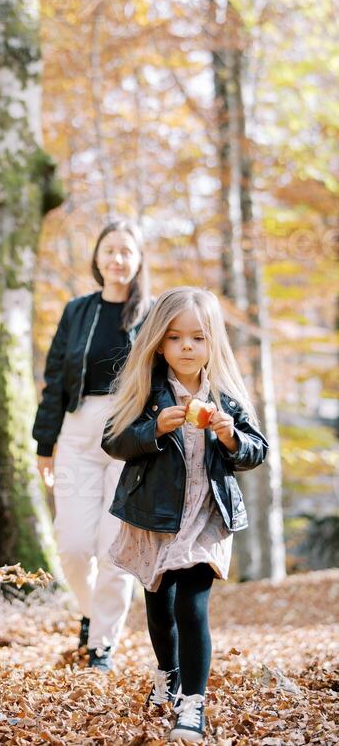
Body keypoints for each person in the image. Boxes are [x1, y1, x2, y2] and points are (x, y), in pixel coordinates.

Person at [102, 286, 268, 742]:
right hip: (155, 517)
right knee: (160, 603)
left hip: (206, 516)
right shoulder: (147, 389)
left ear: (213, 340)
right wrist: (152, 428)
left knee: (192, 604)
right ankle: (167, 676)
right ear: (159, 342)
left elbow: (257, 451)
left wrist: (231, 437)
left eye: (197, 337)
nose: (187, 347)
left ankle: (192, 705)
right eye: (176, 338)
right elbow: (113, 441)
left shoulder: (227, 395)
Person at [33, 218, 152, 671]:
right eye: (109, 250)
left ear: (138, 260)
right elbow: (54, 382)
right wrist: (45, 444)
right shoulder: (76, 311)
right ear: (97, 258)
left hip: (130, 435)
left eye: (126, 251)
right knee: (73, 544)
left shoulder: (151, 312)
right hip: (78, 433)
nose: (117, 259)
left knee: (114, 550)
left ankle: (102, 644)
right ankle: (88, 611)